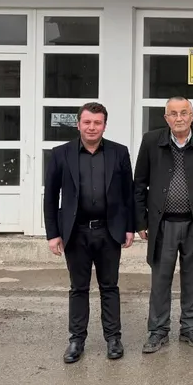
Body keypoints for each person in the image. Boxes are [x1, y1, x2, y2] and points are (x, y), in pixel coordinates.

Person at [43, 102, 135, 364]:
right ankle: (76, 340)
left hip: (109, 231)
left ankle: (113, 338)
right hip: (76, 232)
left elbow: (128, 194)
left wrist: (129, 226)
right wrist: (53, 233)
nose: (92, 127)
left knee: (110, 287)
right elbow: (51, 196)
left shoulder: (119, 152)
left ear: (104, 125)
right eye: (87, 122)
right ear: (78, 124)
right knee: (78, 288)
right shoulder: (61, 154)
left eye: (97, 123)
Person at [134, 97, 193, 354]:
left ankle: (190, 328)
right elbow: (139, 184)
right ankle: (158, 330)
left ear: (192, 116)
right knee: (160, 280)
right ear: (166, 118)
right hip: (162, 224)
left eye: (184, 113)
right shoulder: (152, 141)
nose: (179, 118)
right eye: (173, 114)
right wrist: (140, 220)